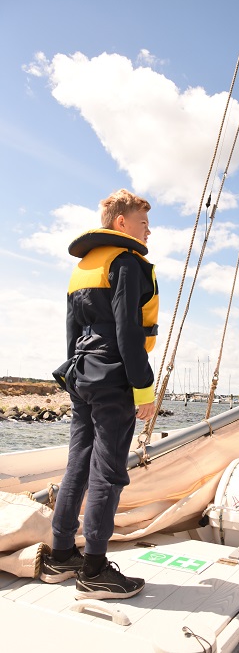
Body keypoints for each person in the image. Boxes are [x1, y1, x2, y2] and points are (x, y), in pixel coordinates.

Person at [40, 188, 158, 601]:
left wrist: (75, 374)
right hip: (114, 377)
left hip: (83, 374)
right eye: (144, 223)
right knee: (108, 472)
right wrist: (143, 389)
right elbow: (128, 331)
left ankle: (61, 556)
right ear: (122, 222)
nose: (148, 231)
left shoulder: (84, 268)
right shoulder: (125, 262)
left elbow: (72, 331)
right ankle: (94, 569)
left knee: (78, 465)